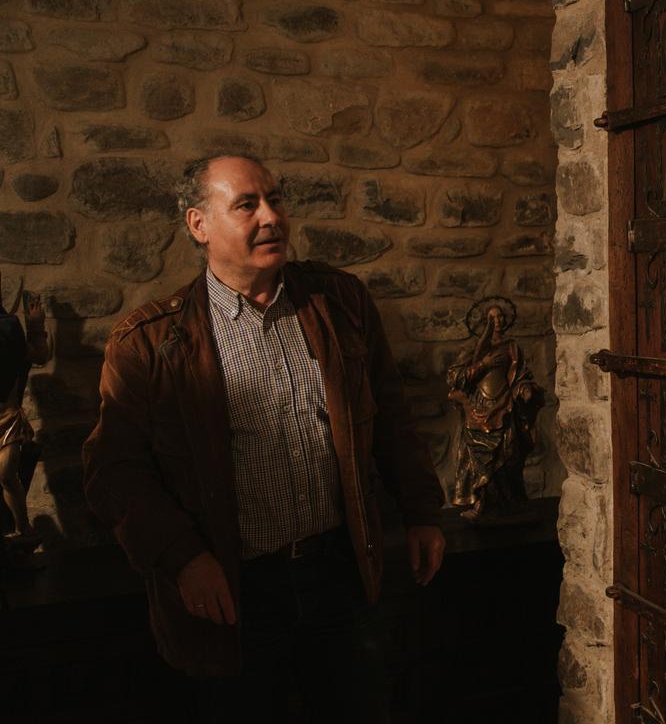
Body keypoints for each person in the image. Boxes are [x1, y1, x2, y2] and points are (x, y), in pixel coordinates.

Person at [82, 155, 446, 722]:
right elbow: (114, 472)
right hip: (237, 589)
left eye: (275, 200)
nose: (272, 217)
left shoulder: (339, 303)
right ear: (199, 225)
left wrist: (422, 510)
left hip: (338, 574)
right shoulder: (150, 342)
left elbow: (390, 414)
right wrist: (183, 557)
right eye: (247, 205)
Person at [447, 297, 544, 522]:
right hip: (478, 411)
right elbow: (456, 378)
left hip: (505, 408)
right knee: (482, 463)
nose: (497, 321)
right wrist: (484, 364)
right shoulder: (472, 349)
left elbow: (519, 377)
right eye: (492, 317)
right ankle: (482, 505)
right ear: (484, 321)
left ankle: (510, 504)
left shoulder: (512, 347)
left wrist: (525, 389)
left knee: (509, 458)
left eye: (500, 316)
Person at [0, 284, 50, 539]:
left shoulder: (7, 327)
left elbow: (39, 355)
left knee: (7, 475)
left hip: (5, 419)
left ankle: (23, 529)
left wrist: (35, 325)